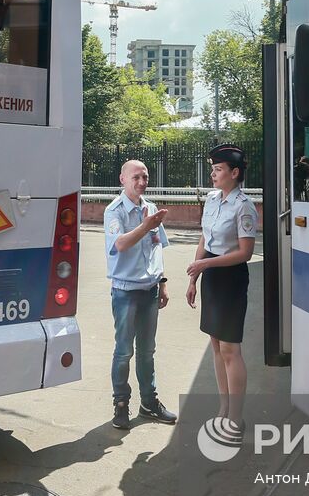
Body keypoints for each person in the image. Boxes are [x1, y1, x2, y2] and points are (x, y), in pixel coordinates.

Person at [186, 144, 258, 445]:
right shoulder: (213, 199)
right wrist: (195, 276)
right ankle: (224, 407)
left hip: (230, 278)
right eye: (213, 169)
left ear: (235, 172)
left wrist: (206, 263)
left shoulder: (245, 206)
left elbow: (245, 253)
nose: (213, 174)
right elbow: (206, 237)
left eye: (218, 169)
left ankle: (236, 419)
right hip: (212, 277)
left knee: (230, 349)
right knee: (216, 345)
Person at [105, 160, 178, 430]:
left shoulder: (152, 209)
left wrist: (163, 283)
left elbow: (157, 248)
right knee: (124, 352)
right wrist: (146, 226)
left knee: (147, 352)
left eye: (145, 177)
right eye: (135, 177)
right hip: (125, 292)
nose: (141, 182)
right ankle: (121, 405)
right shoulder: (114, 211)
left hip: (149, 290)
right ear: (123, 179)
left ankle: (149, 403)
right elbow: (120, 244)